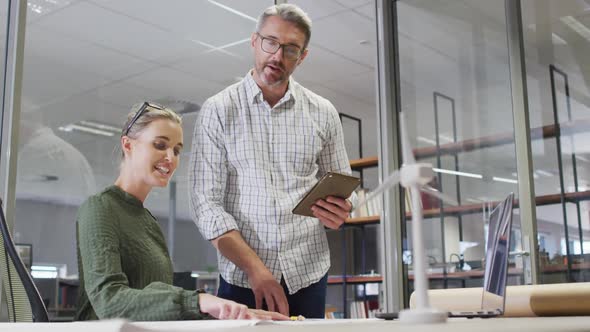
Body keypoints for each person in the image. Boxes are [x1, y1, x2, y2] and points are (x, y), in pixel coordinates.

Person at [189, 4, 355, 318]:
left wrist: (342, 209)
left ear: (303, 56)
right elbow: (206, 203)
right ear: (254, 41)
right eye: (270, 42)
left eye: (290, 49)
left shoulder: (323, 112)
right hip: (241, 278)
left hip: (307, 273)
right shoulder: (219, 109)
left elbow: (342, 183)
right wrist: (256, 270)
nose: (277, 56)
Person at [76, 102, 288, 321]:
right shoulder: (100, 208)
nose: (171, 157)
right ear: (128, 145)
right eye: (160, 145)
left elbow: (156, 308)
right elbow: (109, 302)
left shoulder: (147, 220)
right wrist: (198, 301)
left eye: (177, 150)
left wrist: (231, 314)